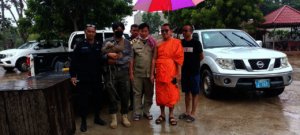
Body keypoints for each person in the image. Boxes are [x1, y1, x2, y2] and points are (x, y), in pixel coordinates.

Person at [69, 24, 106, 132]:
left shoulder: (99, 44)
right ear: (85, 32)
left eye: (93, 31)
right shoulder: (79, 45)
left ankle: (97, 118)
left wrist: (104, 75)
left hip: (96, 77)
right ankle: (83, 122)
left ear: (95, 33)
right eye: (89, 31)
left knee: (97, 98)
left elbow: (102, 61)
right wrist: (73, 76)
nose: (91, 33)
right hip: (84, 77)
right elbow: (74, 62)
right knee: (83, 99)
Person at [150, 23, 184, 126]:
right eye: (162, 30)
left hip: (171, 71)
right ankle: (162, 114)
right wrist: (152, 74)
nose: (164, 32)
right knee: (161, 94)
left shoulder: (176, 43)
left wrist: (179, 74)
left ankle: (171, 115)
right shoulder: (158, 44)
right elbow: (154, 59)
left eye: (166, 30)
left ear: (171, 31)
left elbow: (179, 59)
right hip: (160, 71)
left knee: (171, 93)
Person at [102, 22, 132, 129]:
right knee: (111, 95)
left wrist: (116, 62)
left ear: (123, 30)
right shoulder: (107, 41)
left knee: (125, 95)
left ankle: (124, 117)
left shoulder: (127, 43)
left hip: (123, 71)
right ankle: (113, 118)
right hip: (110, 72)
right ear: (113, 30)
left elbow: (129, 57)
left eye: (120, 29)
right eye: (116, 29)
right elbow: (101, 55)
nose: (118, 31)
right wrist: (108, 55)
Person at [129, 23, 156, 121]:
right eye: (142, 31)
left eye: (145, 31)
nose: (144, 33)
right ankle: (137, 113)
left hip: (149, 74)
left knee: (149, 94)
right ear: (139, 31)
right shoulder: (133, 43)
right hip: (138, 73)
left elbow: (154, 58)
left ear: (148, 32)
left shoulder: (153, 43)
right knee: (137, 94)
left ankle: (146, 111)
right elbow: (131, 59)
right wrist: (131, 73)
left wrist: (153, 74)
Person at [178, 24, 204, 123]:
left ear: (191, 32)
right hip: (184, 72)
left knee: (195, 93)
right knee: (186, 92)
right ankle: (187, 111)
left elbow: (201, 57)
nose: (183, 32)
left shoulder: (196, 43)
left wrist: (194, 65)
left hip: (194, 72)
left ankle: (193, 113)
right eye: (183, 30)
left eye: (186, 30)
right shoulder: (181, 43)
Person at [127, 24, 139, 111]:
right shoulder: (127, 41)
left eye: (137, 30)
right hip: (129, 67)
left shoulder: (142, 41)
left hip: (139, 67)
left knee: (140, 87)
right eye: (134, 30)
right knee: (131, 87)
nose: (135, 32)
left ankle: (139, 103)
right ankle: (132, 103)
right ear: (130, 31)